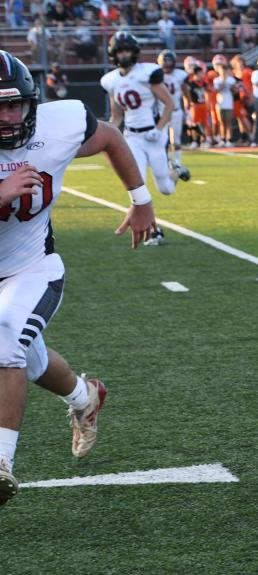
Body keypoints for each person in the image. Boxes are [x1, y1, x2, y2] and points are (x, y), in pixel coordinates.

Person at [0, 50, 158, 506]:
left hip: (31, 267)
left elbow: (109, 136)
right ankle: (85, 396)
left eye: (17, 104)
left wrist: (141, 199)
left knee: (7, 339)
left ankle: (2, 463)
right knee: (28, 361)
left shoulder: (58, 122)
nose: (11, 116)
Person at [100, 32, 187, 247]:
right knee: (138, 186)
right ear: (113, 53)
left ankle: (174, 171)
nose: (124, 54)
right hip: (132, 137)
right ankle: (155, 231)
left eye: (127, 50)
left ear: (134, 51)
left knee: (166, 189)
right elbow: (117, 115)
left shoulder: (148, 73)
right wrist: (106, 135)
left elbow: (169, 104)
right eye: (120, 51)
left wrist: (159, 129)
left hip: (154, 136)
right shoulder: (110, 80)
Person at [158, 50, 190, 169]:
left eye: (169, 61)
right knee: (162, 139)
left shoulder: (179, 75)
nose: (167, 64)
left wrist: (188, 105)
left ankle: (177, 162)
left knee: (175, 140)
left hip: (176, 111)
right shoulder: (157, 74)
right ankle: (163, 162)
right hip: (162, 112)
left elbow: (185, 90)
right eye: (165, 61)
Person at [212, 54, 237, 146]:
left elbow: (235, 92)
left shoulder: (231, 80)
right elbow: (217, 90)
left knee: (229, 122)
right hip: (220, 103)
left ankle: (229, 139)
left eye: (225, 70)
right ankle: (222, 139)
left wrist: (233, 87)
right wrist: (224, 81)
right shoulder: (217, 80)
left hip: (229, 102)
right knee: (222, 122)